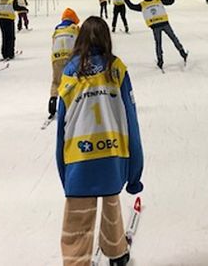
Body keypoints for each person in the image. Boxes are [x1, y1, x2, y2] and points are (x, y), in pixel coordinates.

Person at [56, 17, 144, 266]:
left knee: (78, 219)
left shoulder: (71, 71)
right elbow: (131, 118)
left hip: (79, 159)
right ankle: (116, 251)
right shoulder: (117, 69)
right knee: (111, 200)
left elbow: (61, 127)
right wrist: (134, 171)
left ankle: (76, 261)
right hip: (113, 155)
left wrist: (65, 173)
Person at [124, 0, 188, 70]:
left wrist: (126, 0)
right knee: (173, 38)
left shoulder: (143, 4)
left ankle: (160, 61)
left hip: (155, 26)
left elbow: (132, 6)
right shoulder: (158, 0)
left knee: (158, 43)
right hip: (164, 23)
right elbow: (169, 2)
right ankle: (182, 53)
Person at [48, 8, 80, 120]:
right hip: (71, 57)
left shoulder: (56, 30)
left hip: (56, 57)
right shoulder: (75, 28)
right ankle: (72, 103)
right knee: (73, 80)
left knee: (56, 81)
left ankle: (52, 100)